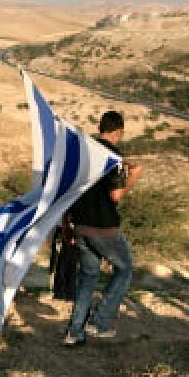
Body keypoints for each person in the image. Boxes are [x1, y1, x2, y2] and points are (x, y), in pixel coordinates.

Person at [63, 111, 141, 347]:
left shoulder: (85, 152)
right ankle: (100, 321)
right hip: (103, 226)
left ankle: (74, 332)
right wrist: (133, 177)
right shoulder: (113, 156)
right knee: (125, 268)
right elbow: (115, 195)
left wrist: (67, 222)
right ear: (119, 131)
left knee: (88, 278)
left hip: (80, 224)